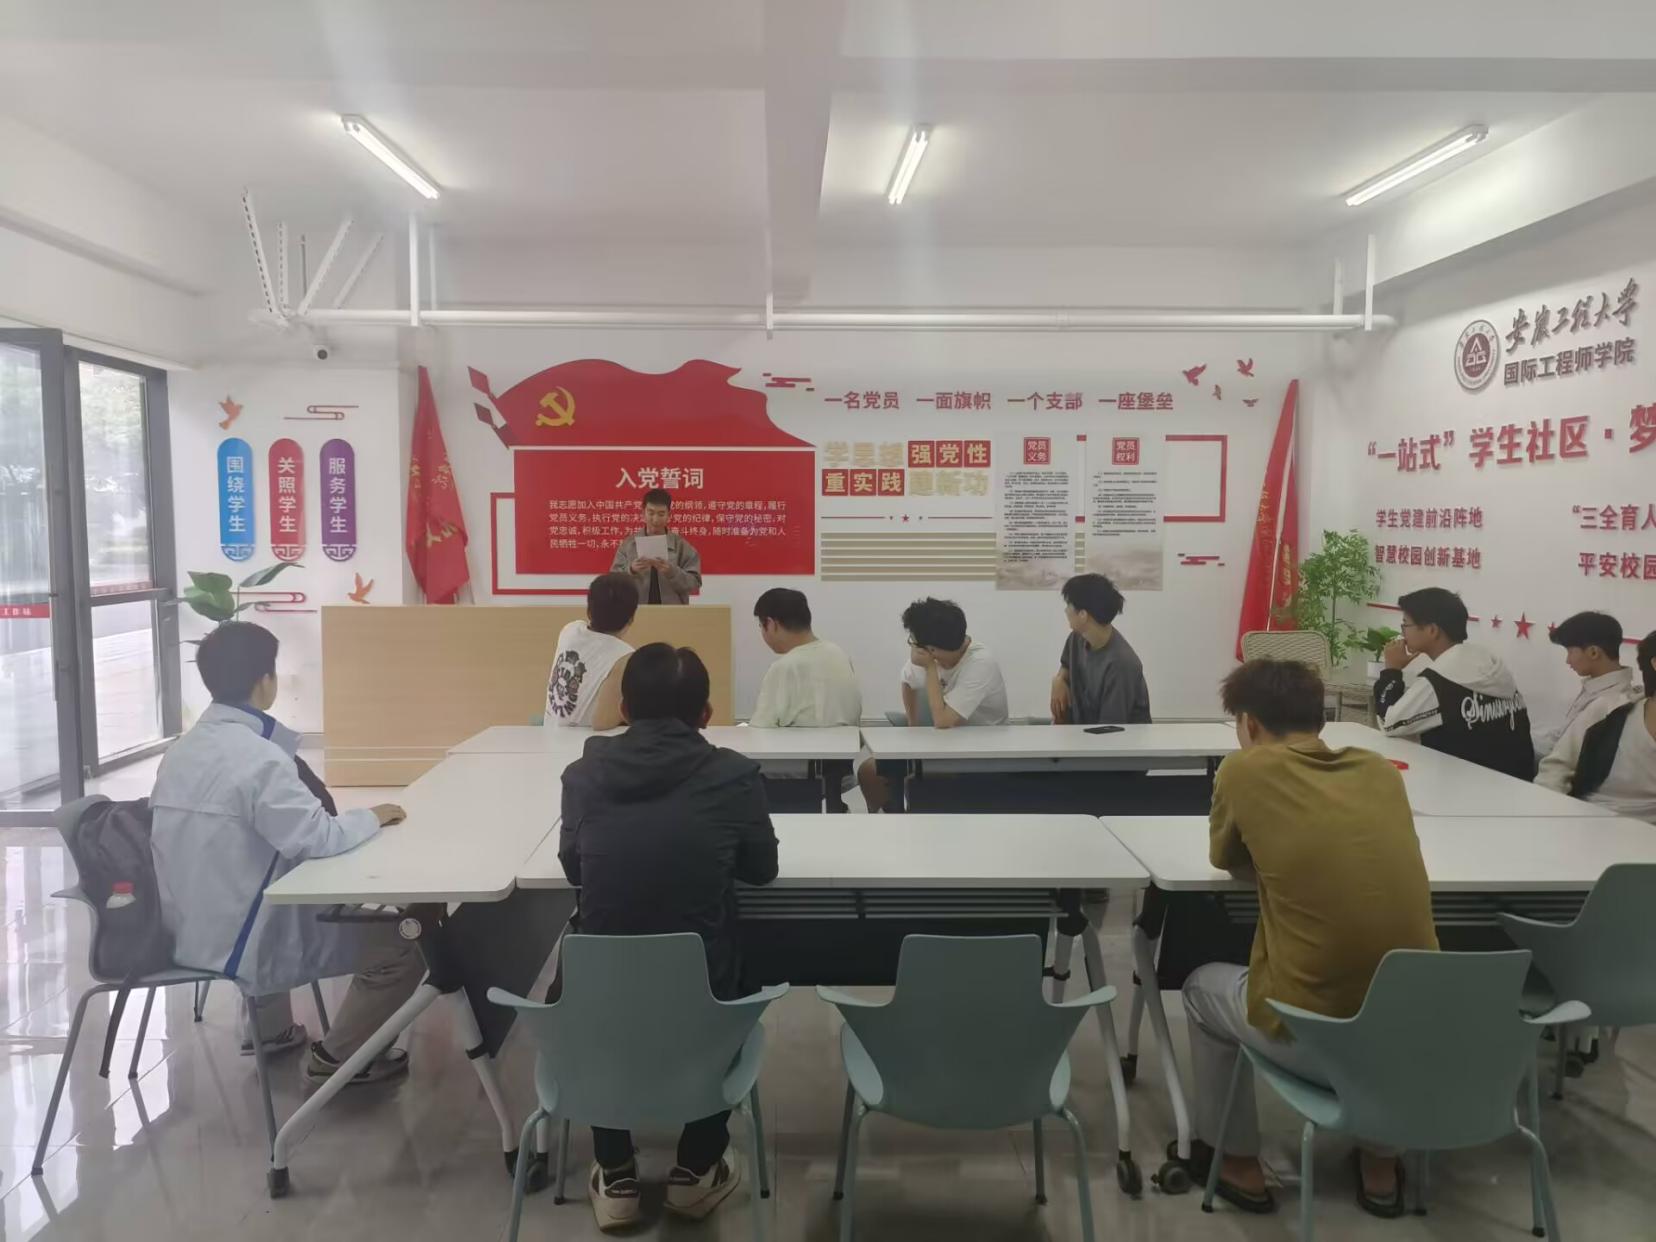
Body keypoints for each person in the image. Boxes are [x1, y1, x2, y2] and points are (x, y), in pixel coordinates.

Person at [1185, 658, 1437, 1217]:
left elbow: (1224, 857)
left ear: (1249, 723)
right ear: (1319, 719)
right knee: (1380, 982)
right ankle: (1380, 1166)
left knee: (1201, 989)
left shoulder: (1243, 771)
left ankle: (1237, 1163)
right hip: (1414, 1036)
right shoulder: (1378, 771)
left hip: (1318, 1041)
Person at [558, 642, 778, 1229]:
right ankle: (696, 1170)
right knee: (733, 971)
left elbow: (574, 867)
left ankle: (616, 1174)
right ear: (706, 714)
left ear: (624, 709)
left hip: (600, 1000)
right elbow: (762, 870)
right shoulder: (734, 775)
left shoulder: (583, 775)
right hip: (702, 996)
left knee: (602, 986)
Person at [150, 622, 422, 1084]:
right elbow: (319, 838)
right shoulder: (259, 757)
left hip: (185, 928)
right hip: (246, 938)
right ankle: (340, 1059)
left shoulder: (180, 751)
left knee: (258, 874)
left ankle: (271, 1032)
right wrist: (373, 816)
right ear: (265, 681)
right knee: (405, 944)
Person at [857, 598, 1008, 811]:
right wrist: (912, 725)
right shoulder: (929, 654)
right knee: (869, 773)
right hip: (941, 745)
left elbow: (943, 721)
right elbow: (907, 681)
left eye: (913, 641)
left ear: (931, 649)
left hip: (982, 752)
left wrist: (929, 668)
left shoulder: (981, 663)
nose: (912, 646)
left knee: (927, 784)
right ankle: (892, 819)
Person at [1374, 587, 1535, 779]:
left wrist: (1392, 671)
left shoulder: (1441, 679)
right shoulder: (1489, 661)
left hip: (1466, 788)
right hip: (1517, 784)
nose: (1402, 634)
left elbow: (1390, 724)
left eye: (1405, 625)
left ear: (1432, 630)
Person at [1537, 630, 1656, 821]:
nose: (1568, 660)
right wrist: (1550, 818)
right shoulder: (1610, 710)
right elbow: (1555, 769)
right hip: (1584, 821)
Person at [749, 587, 862, 728]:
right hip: (849, 742)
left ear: (771, 624)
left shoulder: (784, 668)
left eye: (761, 625)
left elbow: (760, 730)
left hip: (802, 743)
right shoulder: (839, 654)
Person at [1534, 611, 1638, 760]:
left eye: (1570, 652)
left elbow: (1565, 755)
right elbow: (1563, 735)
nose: (1567, 660)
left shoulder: (1609, 702)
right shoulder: (1596, 688)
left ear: (1593, 652)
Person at [1049, 572, 1151, 725]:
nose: (1066, 611)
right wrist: (1058, 680)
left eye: (1069, 605)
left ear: (1083, 615)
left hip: (1118, 737)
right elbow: (1066, 667)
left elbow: (1109, 728)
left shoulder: (1121, 664)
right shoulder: (1077, 638)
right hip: (1084, 733)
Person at [546, 572, 638, 729]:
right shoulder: (625, 657)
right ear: (631, 619)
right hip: (583, 742)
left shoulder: (570, 630)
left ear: (589, 611)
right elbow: (602, 723)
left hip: (549, 733)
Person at [609, 488, 702, 605]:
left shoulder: (681, 546)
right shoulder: (629, 544)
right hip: (635, 611)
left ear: (669, 515)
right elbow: (612, 581)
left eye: (661, 514)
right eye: (651, 513)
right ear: (643, 513)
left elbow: (695, 583)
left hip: (672, 612)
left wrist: (672, 572)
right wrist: (631, 570)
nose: (655, 519)